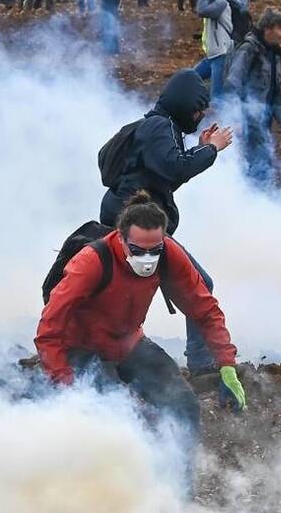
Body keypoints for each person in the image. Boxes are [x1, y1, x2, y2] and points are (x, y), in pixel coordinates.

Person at [36, 191, 246, 479]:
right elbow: (50, 327)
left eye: (155, 250)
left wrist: (226, 365)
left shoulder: (170, 255)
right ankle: (108, 496)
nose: (147, 259)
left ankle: (177, 490)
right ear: (121, 239)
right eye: (138, 250)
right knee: (112, 416)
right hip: (81, 346)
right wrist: (64, 381)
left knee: (182, 406)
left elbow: (204, 309)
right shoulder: (92, 262)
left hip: (129, 342)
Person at [99, 69, 233, 374]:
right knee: (199, 283)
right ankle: (200, 363)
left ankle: (110, 356)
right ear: (185, 105)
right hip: (138, 228)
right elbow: (175, 170)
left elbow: (164, 178)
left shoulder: (158, 127)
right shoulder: (160, 127)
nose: (199, 116)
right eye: (198, 110)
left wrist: (199, 147)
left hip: (132, 222)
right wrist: (212, 148)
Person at [225, 7, 281, 185]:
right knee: (260, 157)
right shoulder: (249, 49)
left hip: (265, 117)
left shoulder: (275, 53)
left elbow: (277, 88)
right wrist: (236, 117)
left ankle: (255, 192)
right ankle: (258, 195)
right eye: (280, 28)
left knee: (262, 156)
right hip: (249, 117)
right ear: (267, 29)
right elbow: (233, 83)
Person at [193, 0, 241, 98]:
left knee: (217, 96)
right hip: (212, 56)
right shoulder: (213, 1)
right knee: (191, 79)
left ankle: (222, 116)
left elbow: (202, 11)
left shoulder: (221, 3)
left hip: (221, 55)